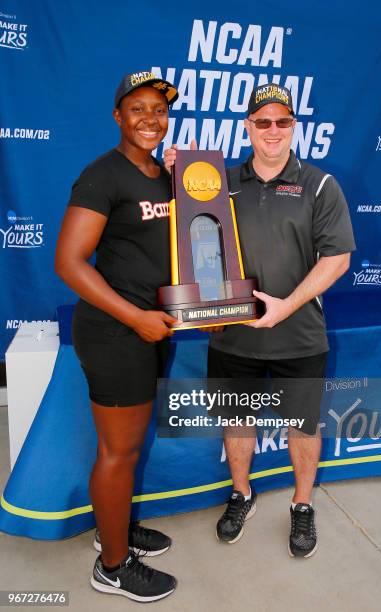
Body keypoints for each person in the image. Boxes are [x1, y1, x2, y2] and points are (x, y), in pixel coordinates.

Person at [164, 83, 355, 558]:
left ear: (294, 126)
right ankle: (241, 493)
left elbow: (338, 259)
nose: (273, 130)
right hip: (232, 336)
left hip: (300, 336)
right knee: (236, 421)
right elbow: (187, 233)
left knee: (304, 427)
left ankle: (303, 504)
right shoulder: (218, 181)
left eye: (282, 121)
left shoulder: (320, 185)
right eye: (262, 121)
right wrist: (173, 173)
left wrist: (285, 307)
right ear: (248, 127)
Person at [55, 71, 179, 602]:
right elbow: (68, 262)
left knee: (127, 447)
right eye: (138, 109)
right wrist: (133, 318)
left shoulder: (161, 173)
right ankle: (111, 565)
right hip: (116, 331)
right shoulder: (101, 175)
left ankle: (117, 530)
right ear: (117, 116)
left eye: (159, 109)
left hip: (154, 326)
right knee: (117, 451)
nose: (150, 118)